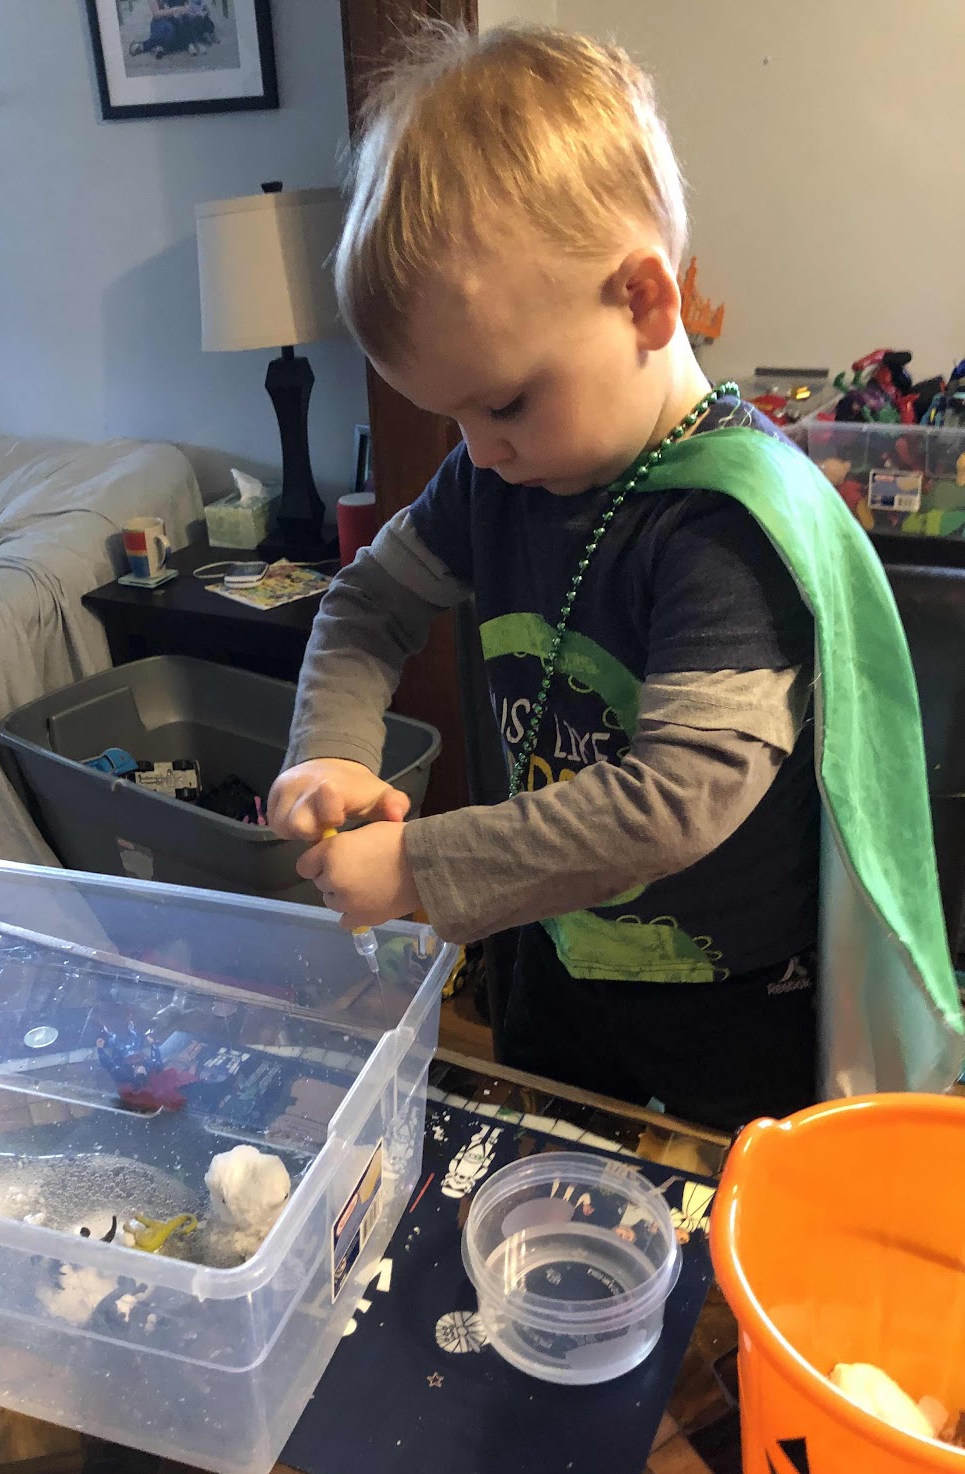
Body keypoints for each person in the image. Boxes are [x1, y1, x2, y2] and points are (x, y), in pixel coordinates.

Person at [267, 25, 963, 1129]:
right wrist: (332, 748)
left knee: (724, 1200)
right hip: (557, 940)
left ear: (644, 301)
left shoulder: (722, 523)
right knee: (542, 1151)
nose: (479, 450)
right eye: (450, 414)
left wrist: (422, 869)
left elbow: (673, 801)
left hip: (737, 988)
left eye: (504, 402)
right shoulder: (493, 473)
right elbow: (369, 602)